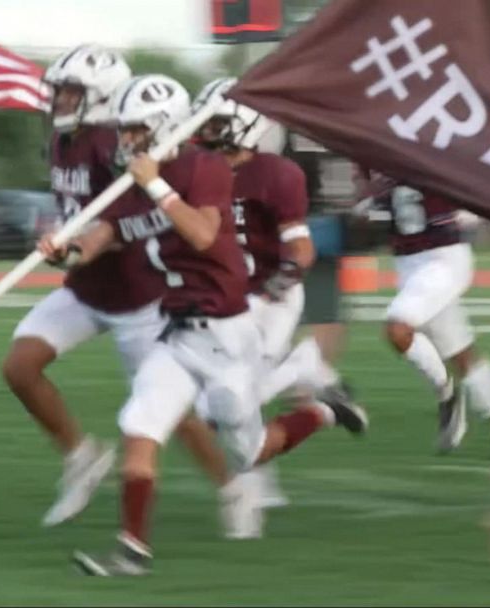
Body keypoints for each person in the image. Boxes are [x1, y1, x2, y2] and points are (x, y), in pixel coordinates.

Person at [66, 74, 358, 575]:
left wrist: (154, 183)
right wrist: (63, 249)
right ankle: (132, 549)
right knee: (138, 424)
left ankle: (322, 412)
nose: (125, 140)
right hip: (176, 333)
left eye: (134, 130)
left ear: (161, 128)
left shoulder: (203, 169)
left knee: (250, 453)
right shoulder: (130, 185)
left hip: (227, 332)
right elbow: (100, 236)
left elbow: (202, 234)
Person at [1, 45, 167, 527]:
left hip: (136, 293)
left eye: (71, 91)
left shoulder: (115, 146)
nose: (60, 100)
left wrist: (79, 246)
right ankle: (82, 457)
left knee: (174, 412)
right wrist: (62, 238)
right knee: (20, 366)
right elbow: (76, 210)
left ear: (102, 95)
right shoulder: (60, 142)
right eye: (60, 90)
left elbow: (134, 219)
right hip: (86, 287)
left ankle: (237, 479)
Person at [363, 173, 490, 457]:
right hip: (407, 263)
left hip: (444, 258)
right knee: (461, 353)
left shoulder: (429, 144)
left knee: (398, 328)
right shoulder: (374, 155)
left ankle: (446, 392)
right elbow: (372, 205)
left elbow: (472, 180)